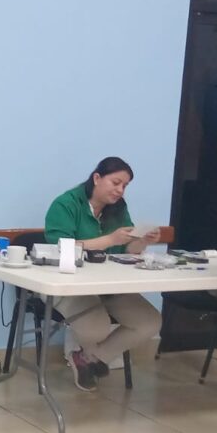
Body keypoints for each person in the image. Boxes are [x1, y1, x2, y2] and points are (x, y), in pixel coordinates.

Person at [43, 157, 162, 391]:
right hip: (69, 283)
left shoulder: (118, 208)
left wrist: (143, 241)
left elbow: (128, 250)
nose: (120, 190)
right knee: (96, 328)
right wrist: (109, 240)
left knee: (149, 322)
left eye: (125, 186)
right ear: (97, 178)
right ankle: (88, 356)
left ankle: (89, 358)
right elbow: (60, 247)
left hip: (109, 284)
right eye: (116, 183)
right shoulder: (66, 204)